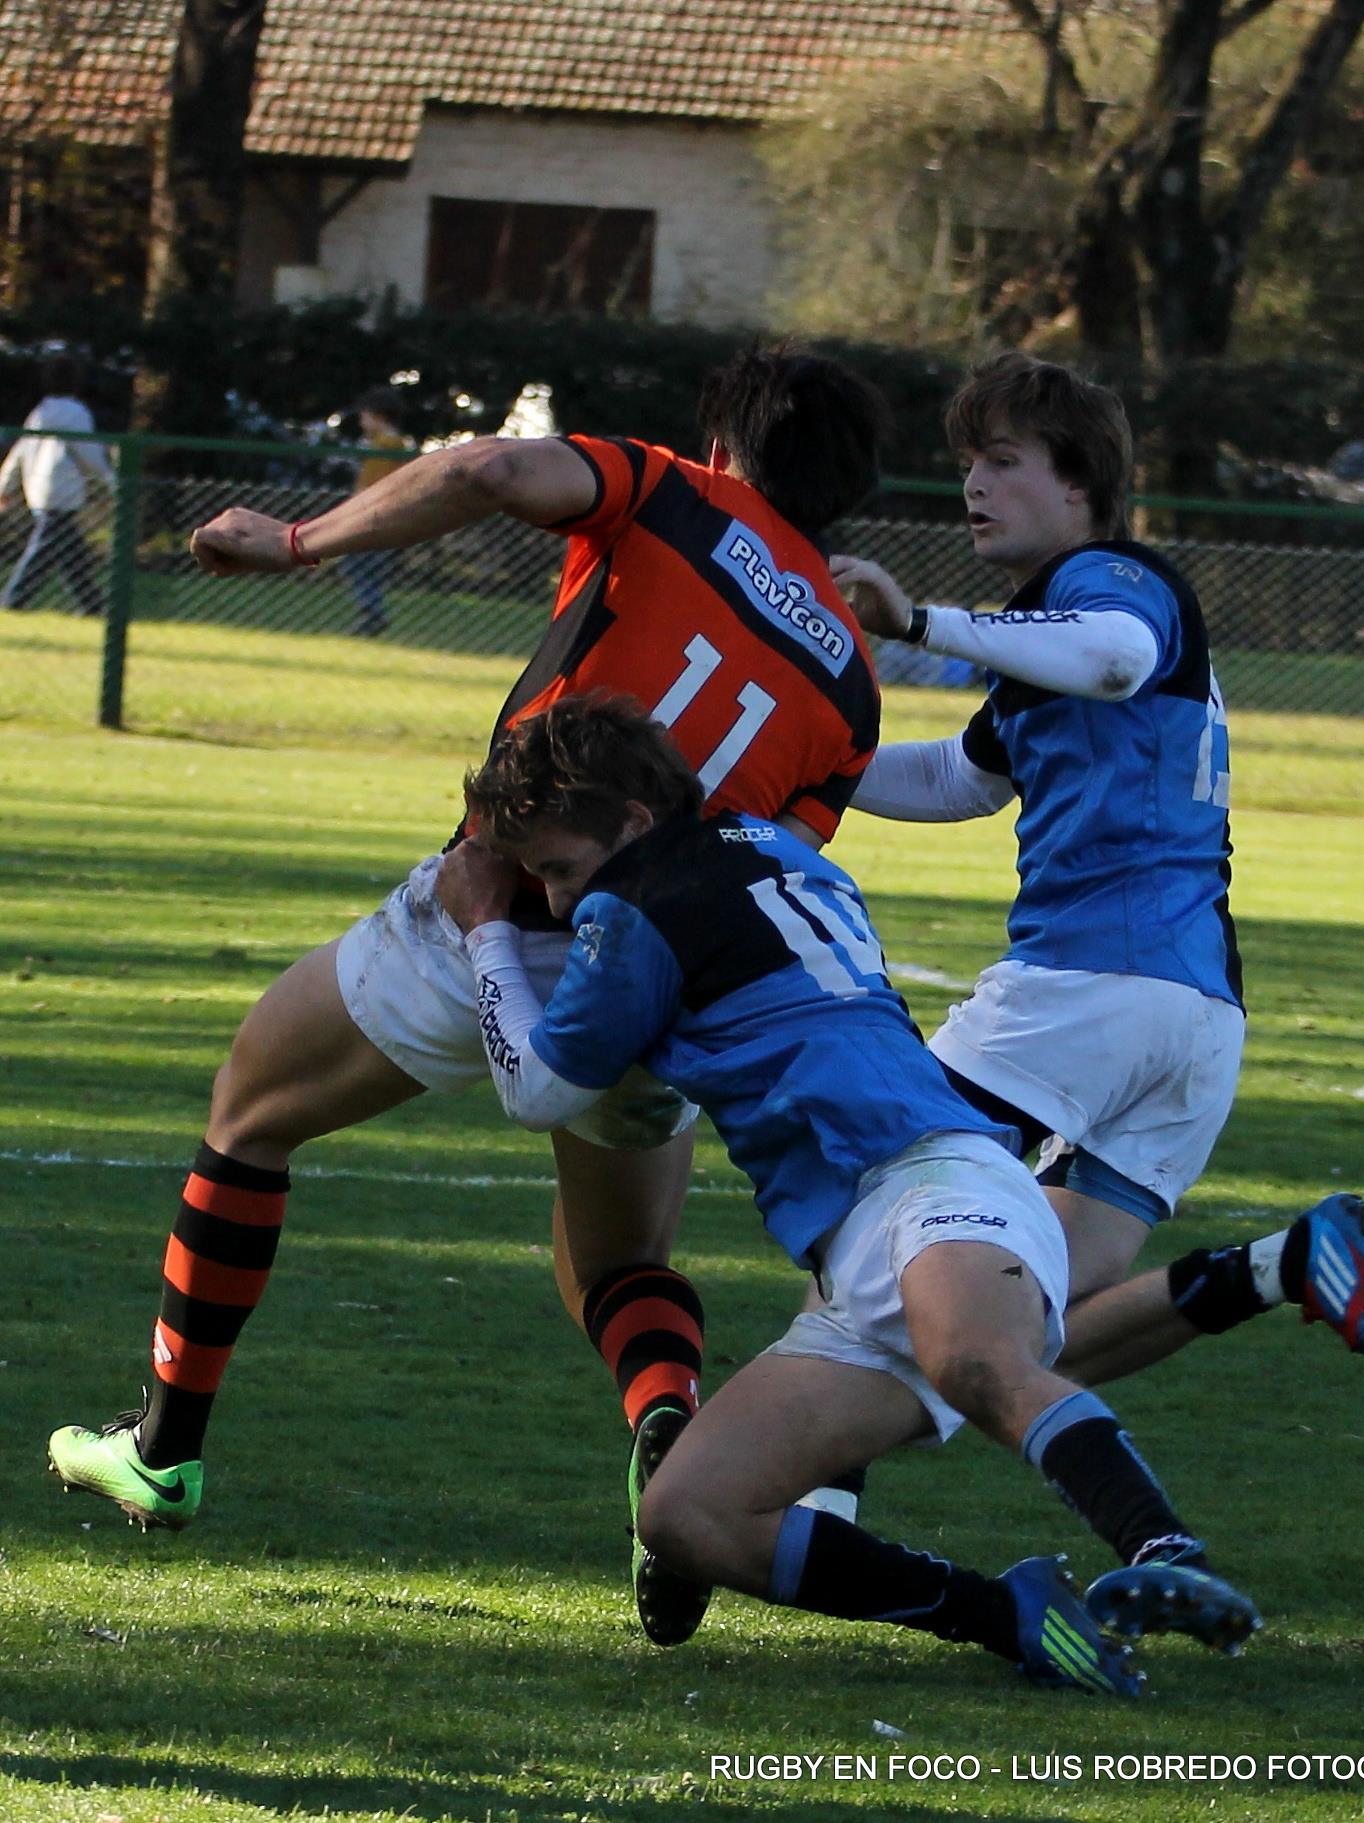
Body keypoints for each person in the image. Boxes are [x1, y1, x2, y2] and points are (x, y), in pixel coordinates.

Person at [45, 346, 887, 1654]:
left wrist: (299, 538)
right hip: (657, 963)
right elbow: (771, 861)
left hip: (492, 892)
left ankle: (164, 1446)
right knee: (619, 1264)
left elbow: (491, 464)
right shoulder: (850, 690)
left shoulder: (668, 493)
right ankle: (666, 1432)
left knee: (250, 1111)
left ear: (724, 441)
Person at [423, 694, 1261, 1688]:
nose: (554, 901)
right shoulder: (771, 844)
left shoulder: (635, 902)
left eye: (559, 867)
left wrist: (486, 931)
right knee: (687, 1515)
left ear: (634, 826)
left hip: (930, 1173)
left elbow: (538, 1087)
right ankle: (1014, 1615)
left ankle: (1163, 1548)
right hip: (857, 1237)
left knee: (976, 1359)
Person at [824, 351, 1364, 1433]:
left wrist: (918, 625)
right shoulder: (1043, 636)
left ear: (1081, 484)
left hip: (1086, 990)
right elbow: (961, 778)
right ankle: (1284, 1265)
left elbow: (1116, 658)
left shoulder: (1110, 585)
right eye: (968, 464)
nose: (974, 487)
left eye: (1003, 461)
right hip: (1195, 1018)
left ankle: (798, 1498)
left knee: (874, 1217)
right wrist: (797, 764)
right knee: (1036, 1318)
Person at [0, 352, 115, 616]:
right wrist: (112, 482)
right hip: (62, 491)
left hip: (37, 490)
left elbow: (19, 453)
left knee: (69, 555)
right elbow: (89, 453)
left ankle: (92, 606)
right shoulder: (76, 413)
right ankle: (13, 600)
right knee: (44, 551)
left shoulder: (40, 411)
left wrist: (5, 487)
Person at [340, 385, 414, 636]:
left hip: (377, 515)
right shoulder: (386, 443)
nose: (361, 421)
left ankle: (372, 613)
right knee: (359, 564)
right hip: (382, 514)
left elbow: (374, 483)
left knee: (358, 563)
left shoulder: (386, 444)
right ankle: (371, 612)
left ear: (378, 416)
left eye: (364, 415)